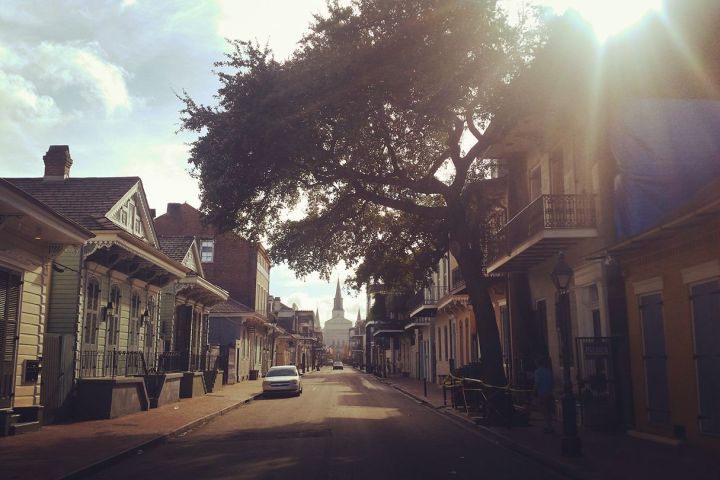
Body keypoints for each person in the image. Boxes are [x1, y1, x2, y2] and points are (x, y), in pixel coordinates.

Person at [534, 356, 555, 434]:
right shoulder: (548, 371)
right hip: (549, 393)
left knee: (543, 410)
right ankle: (549, 426)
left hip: (542, 393)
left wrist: (534, 392)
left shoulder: (537, 372)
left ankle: (548, 426)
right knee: (548, 410)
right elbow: (552, 382)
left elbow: (537, 383)